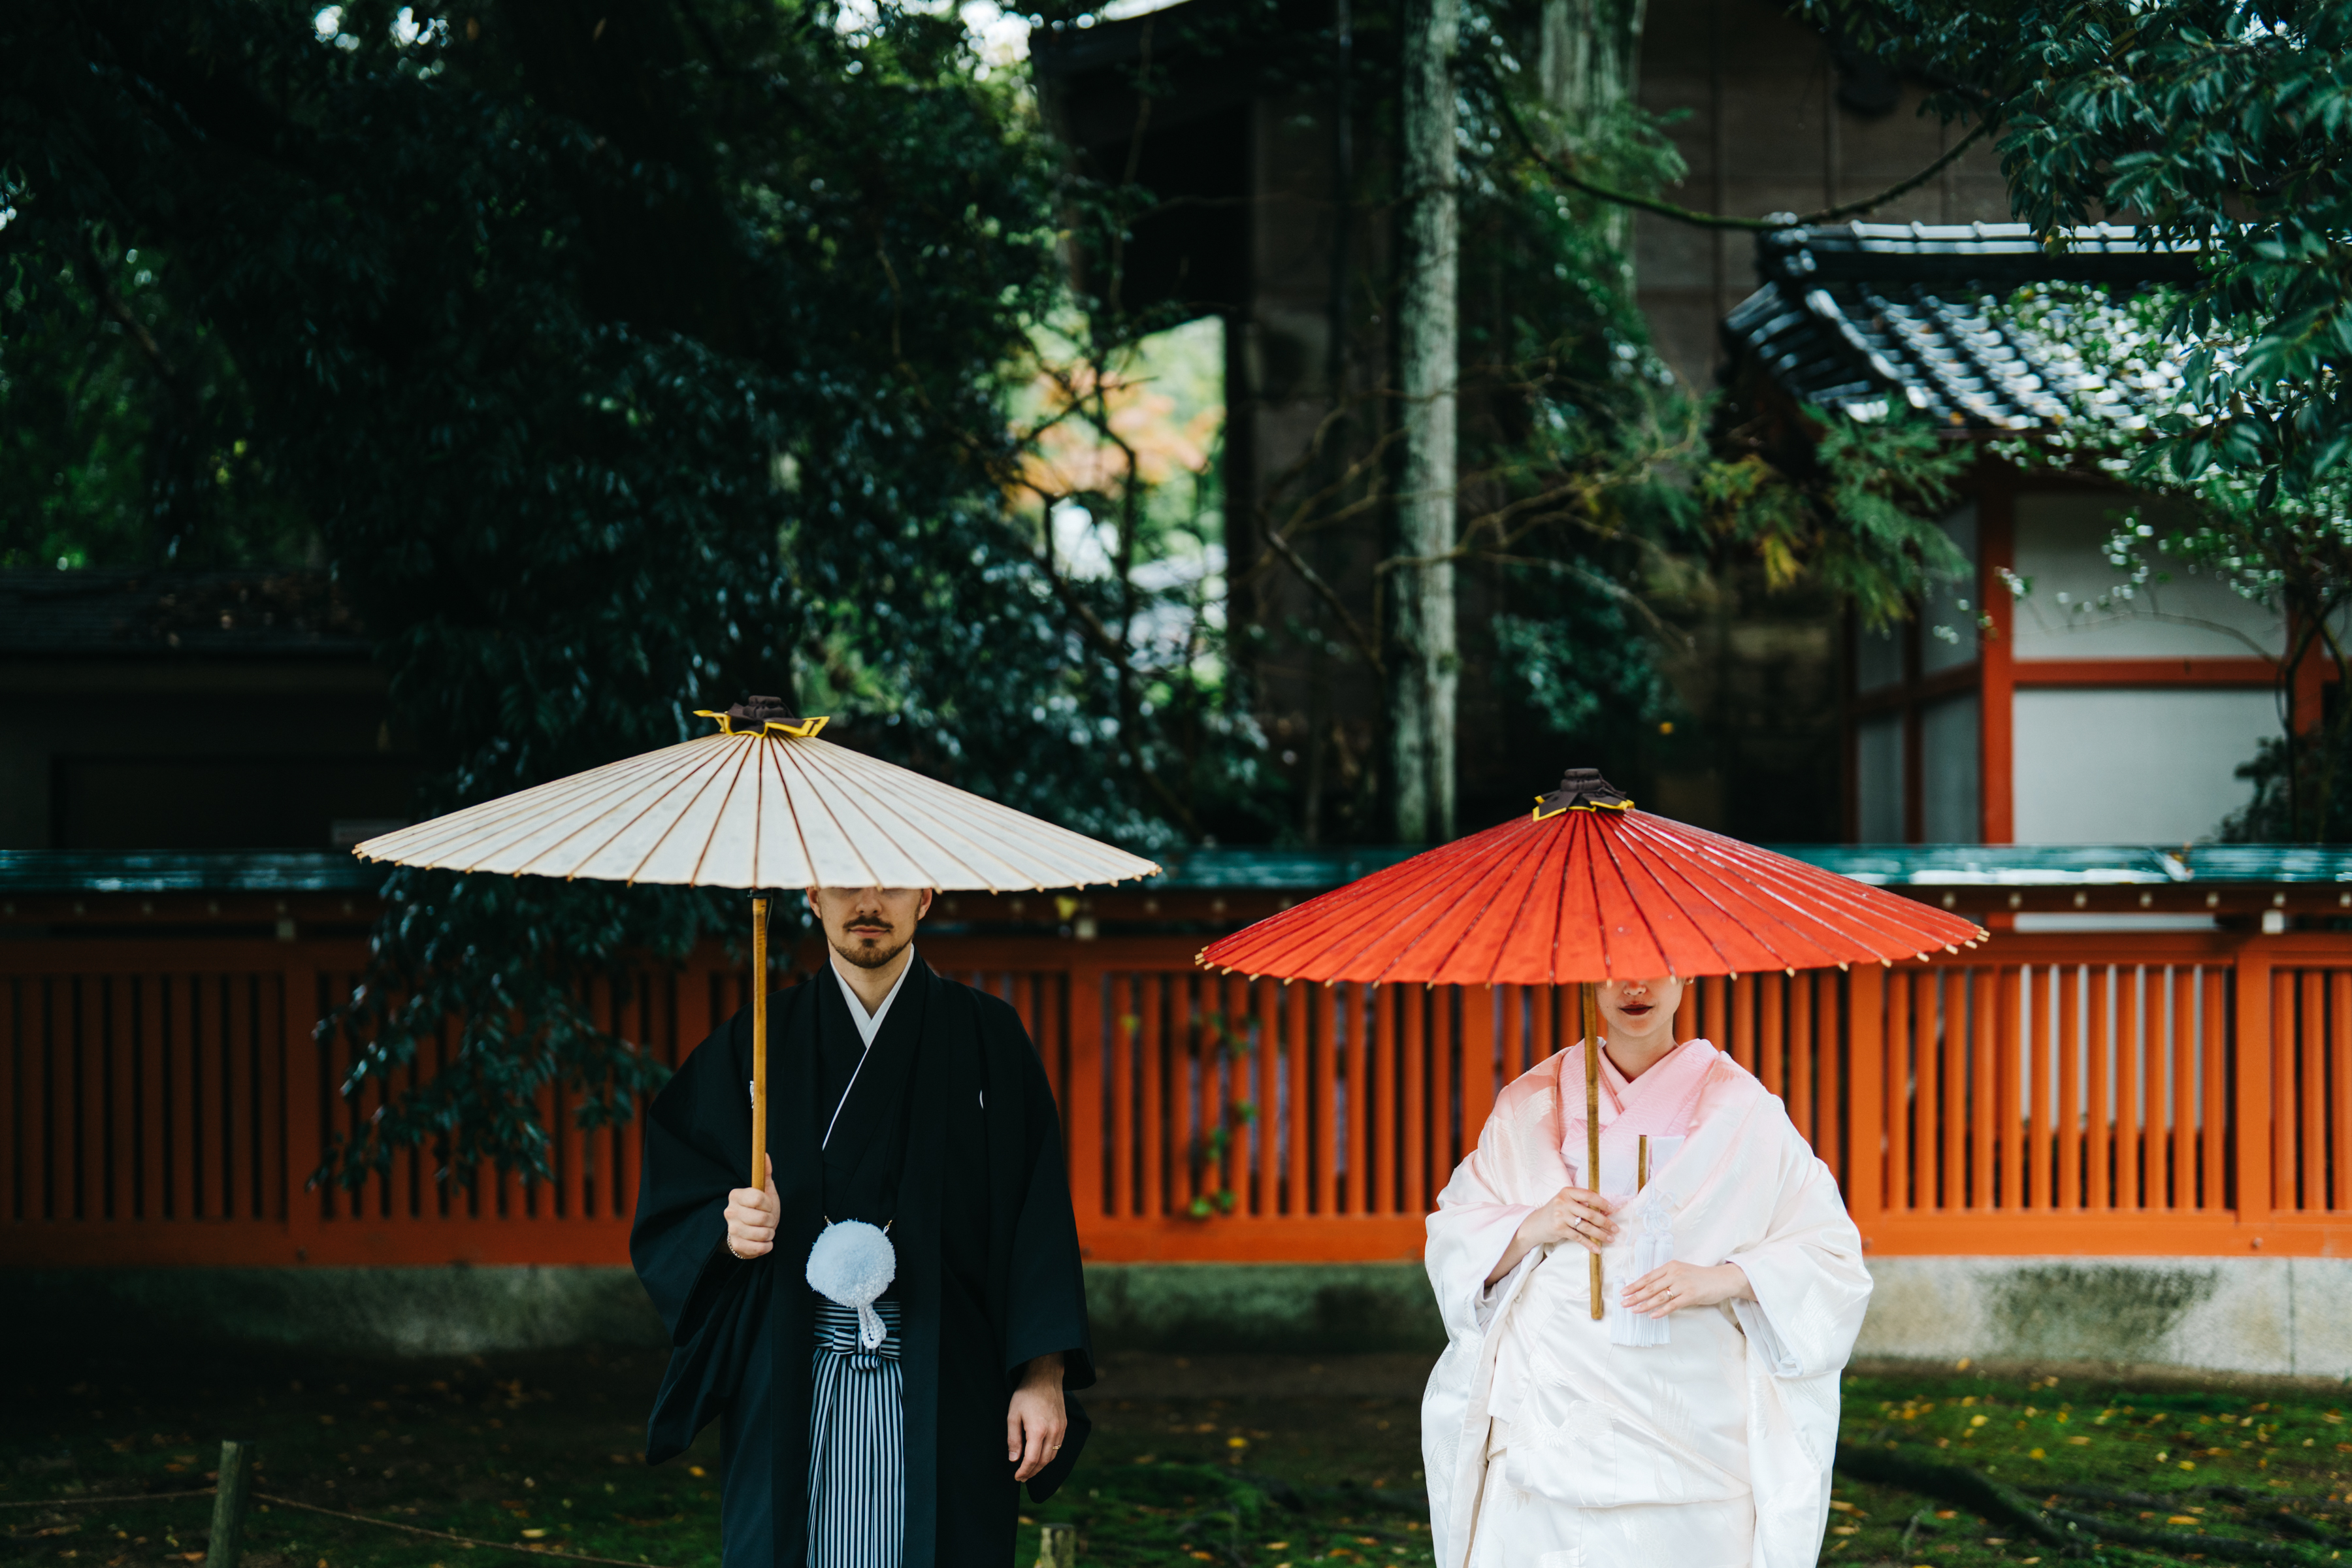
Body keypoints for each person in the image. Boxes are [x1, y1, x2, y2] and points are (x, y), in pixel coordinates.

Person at [630, 885, 1092, 1568]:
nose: (869, 902)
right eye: (846, 882)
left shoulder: (988, 1035)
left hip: (950, 1372)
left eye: (892, 882)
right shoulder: (756, 1041)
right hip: (791, 1370)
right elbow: (678, 1193)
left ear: (926, 897)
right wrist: (731, 1230)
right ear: (814, 896)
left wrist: (1042, 1375)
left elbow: (1039, 1213)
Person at [1420, 975, 1871, 1568]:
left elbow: (1830, 1253)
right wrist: (1532, 1224)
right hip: (1553, 1398)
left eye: (1655, 965)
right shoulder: (1531, 1102)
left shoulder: (1746, 1110)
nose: (1634, 985)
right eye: (1612, 966)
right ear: (1585, 977)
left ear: (1687, 973)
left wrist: (1723, 1278)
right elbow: (1454, 1237)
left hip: (1690, 1403)